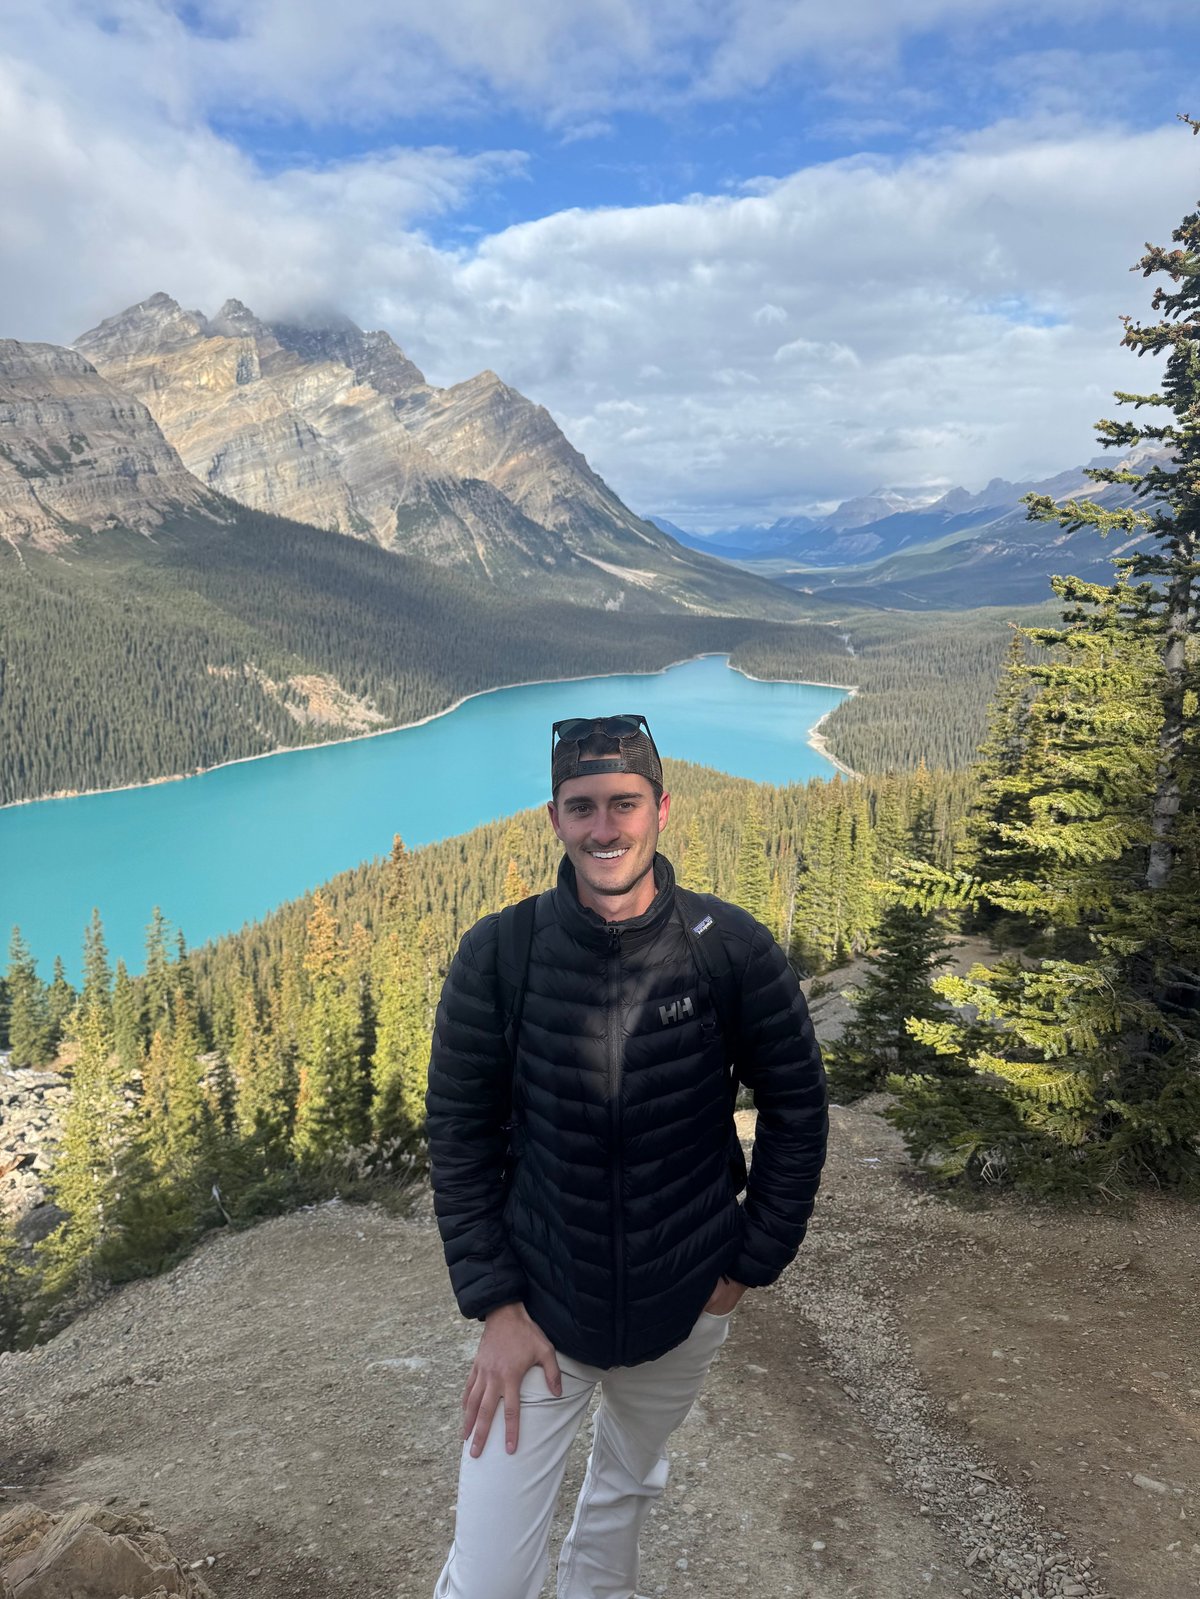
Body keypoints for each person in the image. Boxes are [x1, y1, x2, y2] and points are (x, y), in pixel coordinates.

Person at [426, 713, 827, 1599]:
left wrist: (747, 1263)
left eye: (623, 803)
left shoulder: (731, 950)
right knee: (490, 1576)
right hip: (539, 1317)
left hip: (686, 1303)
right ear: (555, 818)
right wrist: (495, 1301)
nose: (604, 828)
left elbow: (798, 1109)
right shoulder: (501, 954)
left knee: (625, 1489)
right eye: (582, 807)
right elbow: (456, 1134)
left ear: (662, 808)